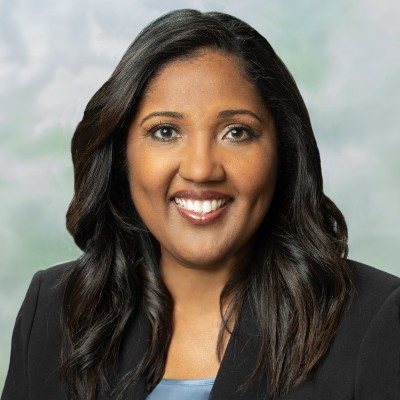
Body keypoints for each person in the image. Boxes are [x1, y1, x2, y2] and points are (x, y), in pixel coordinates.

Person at [2, 9, 400, 400]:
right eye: (165, 131)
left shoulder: (376, 320)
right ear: (122, 155)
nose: (200, 169)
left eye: (236, 132)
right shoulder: (53, 310)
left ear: (284, 152)